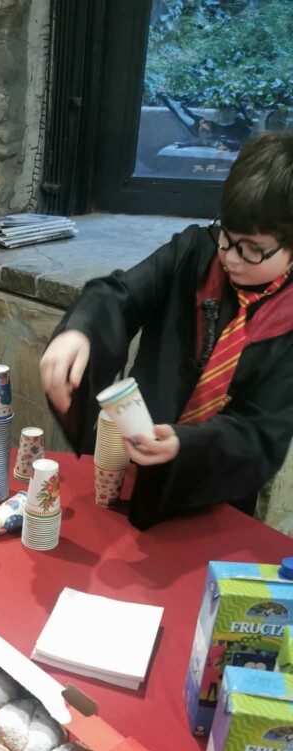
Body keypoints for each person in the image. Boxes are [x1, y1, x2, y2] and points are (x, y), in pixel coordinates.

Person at [40, 131, 293, 530]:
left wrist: (185, 445)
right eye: (227, 235)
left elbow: (262, 433)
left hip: (211, 495)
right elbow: (121, 294)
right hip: (127, 465)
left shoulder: (288, 321)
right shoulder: (195, 253)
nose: (231, 257)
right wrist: (80, 331)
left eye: (252, 248)